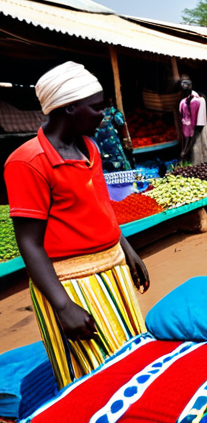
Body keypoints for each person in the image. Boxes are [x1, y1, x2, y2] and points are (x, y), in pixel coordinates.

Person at [4, 62, 150, 389]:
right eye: (97, 107)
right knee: (96, 376)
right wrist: (63, 305)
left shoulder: (90, 148)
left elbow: (100, 207)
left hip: (112, 271)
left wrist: (127, 250)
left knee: (130, 360)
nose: (104, 114)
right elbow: (29, 243)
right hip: (72, 283)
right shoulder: (28, 162)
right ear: (69, 108)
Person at [179, 79, 207, 165]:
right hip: (187, 129)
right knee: (187, 148)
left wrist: (197, 129)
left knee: (198, 147)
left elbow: (201, 119)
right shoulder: (183, 102)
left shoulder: (199, 100)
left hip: (198, 128)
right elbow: (182, 114)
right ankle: (186, 160)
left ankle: (199, 163)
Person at [93, 99, 131, 172]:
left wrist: (126, 140)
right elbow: (123, 126)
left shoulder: (113, 112)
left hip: (109, 147)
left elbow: (123, 126)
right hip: (108, 147)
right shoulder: (112, 112)